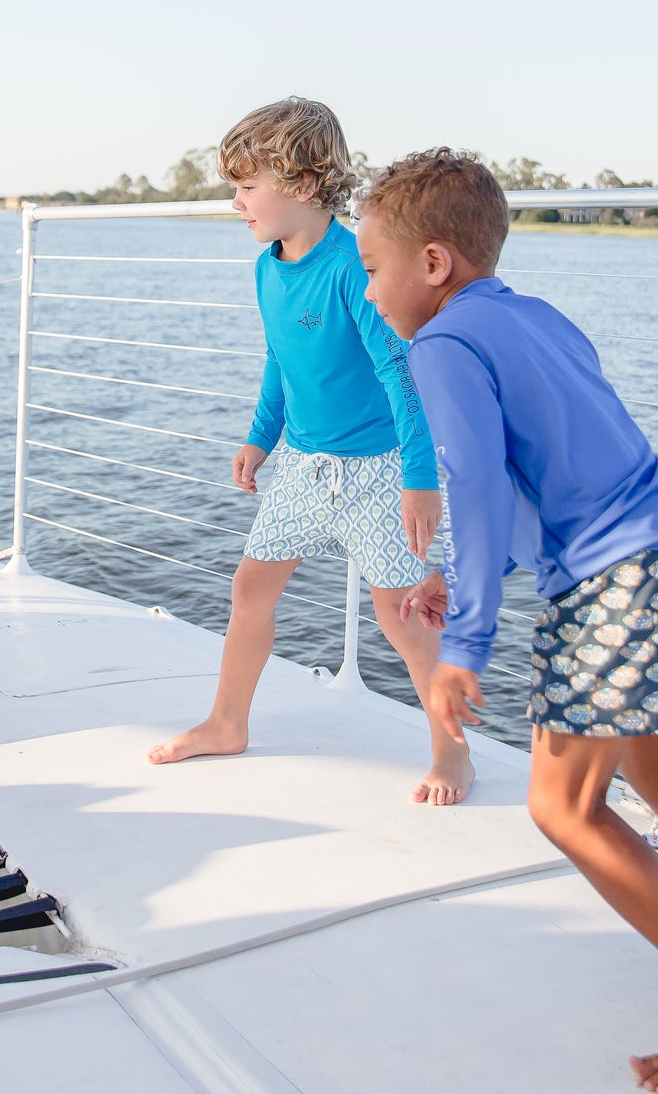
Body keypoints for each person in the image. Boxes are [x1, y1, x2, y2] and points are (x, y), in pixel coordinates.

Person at [356, 148, 658, 1094]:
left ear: (433, 263)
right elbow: (555, 471)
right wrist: (459, 575)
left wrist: (464, 639)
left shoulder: (440, 345)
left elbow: (469, 481)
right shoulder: (535, 318)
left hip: (618, 581)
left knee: (562, 805)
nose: (370, 289)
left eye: (373, 266)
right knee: (654, 768)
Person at [148, 97, 474, 805]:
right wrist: (259, 437)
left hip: (378, 473)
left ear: (299, 185)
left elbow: (400, 374)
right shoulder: (268, 268)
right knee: (249, 589)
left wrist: (419, 479)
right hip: (302, 465)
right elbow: (280, 358)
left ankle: (453, 754)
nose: (236, 203)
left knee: (401, 617)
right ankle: (226, 723)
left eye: (245, 187)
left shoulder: (354, 267)